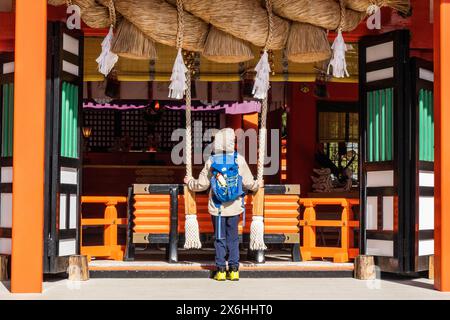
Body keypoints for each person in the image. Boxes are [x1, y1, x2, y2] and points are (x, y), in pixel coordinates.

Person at [184, 128, 260, 281]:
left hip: (217, 208)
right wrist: (258, 184)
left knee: (220, 238)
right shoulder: (239, 159)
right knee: (233, 238)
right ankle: (233, 270)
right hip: (234, 206)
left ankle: (220, 270)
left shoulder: (212, 161)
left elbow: (202, 185)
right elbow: (249, 183)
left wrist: (190, 182)